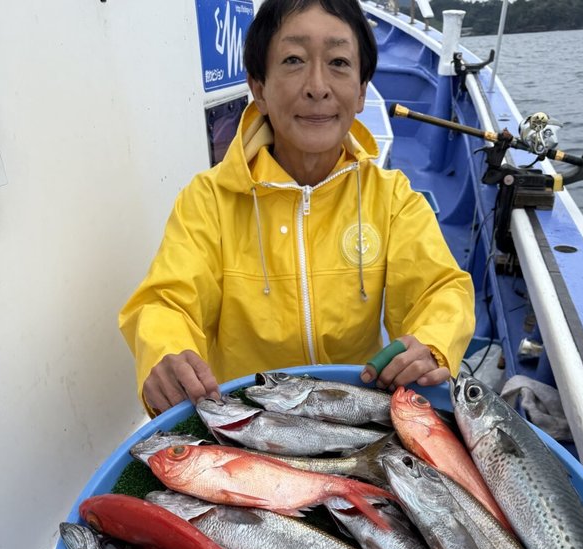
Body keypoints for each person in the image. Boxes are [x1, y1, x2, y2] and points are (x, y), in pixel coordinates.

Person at [119, 0, 475, 415]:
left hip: (357, 414)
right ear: (259, 89)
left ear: (361, 91)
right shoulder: (208, 201)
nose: (317, 87)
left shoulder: (392, 198)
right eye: (293, 60)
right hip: (247, 419)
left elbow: (439, 289)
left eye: (339, 63)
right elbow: (167, 302)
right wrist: (166, 354)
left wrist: (431, 342)